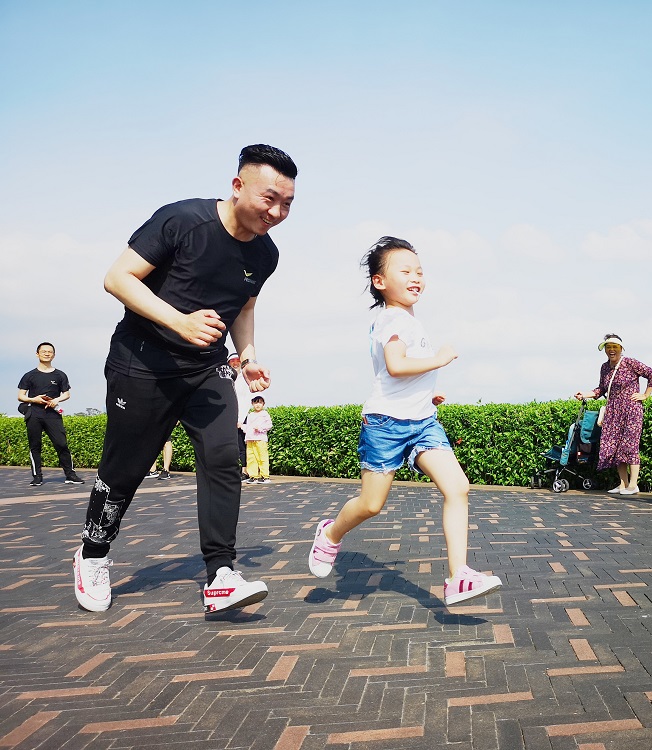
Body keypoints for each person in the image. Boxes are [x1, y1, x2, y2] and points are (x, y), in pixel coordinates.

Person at [73, 144, 297, 614]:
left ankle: (221, 573)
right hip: (143, 362)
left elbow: (245, 307)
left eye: (287, 203)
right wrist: (179, 321)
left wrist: (247, 355)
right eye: (269, 198)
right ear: (237, 186)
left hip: (206, 367)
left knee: (223, 456)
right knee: (125, 469)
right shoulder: (182, 221)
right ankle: (92, 554)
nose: (277, 212)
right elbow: (118, 278)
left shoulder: (266, 253)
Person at [307, 236, 502, 606]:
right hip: (386, 424)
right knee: (371, 504)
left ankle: (459, 577)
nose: (416, 278)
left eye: (420, 271)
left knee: (457, 487)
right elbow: (396, 365)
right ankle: (330, 534)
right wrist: (441, 358)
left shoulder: (408, 320)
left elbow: (399, 373)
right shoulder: (391, 319)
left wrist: (427, 393)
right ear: (380, 281)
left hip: (423, 421)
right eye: (406, 271)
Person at [574, 334, 652, 495]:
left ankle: (633, 485)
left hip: (631, 411)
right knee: (615, 447)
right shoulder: (605, 367)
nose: (611, 350)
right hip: (613, 412)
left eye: (615, 347)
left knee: (630, 446)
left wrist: (645, 395)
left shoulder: (630, 362)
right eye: (608, 347)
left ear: (621, 348)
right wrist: (584, 394)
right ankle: (622, 484)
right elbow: (601, 389)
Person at [17, 342, 85, 487]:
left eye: (50, 352)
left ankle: (70, 475)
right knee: (35, 446)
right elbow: (20, 396)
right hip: (34, 413)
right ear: (37, 354)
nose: (47, 354)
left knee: (61, 444)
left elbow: (66, 394)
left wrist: (56, 400)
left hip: (52, 414)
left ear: (54, 355)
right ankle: (37, 477)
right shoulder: (29, 375)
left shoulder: (60, 375)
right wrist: (33, 399)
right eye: (44, 351)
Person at [229, 351, 253, 481]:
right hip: (230, 417)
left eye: (237, 361)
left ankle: (245, 470)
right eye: (232, 362)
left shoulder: (244, 379)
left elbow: (245, 401)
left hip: (242, 418)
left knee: (242, 446)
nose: (235, 364)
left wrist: (240, 419)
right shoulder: (228, 379)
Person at [241, 395, 272, 483]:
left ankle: (265, 476)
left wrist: (260, 428)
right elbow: (248, 427)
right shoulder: (250, 415)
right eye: (255, 402)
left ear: (263, 404)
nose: (258, 405)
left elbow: (269, 425)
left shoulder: (265, 414)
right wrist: (242, 426)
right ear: (252, 403)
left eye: (260, 402)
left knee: (262, 458)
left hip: (260, 439)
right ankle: (253, 476)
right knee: (251, 458)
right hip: (250, 439)